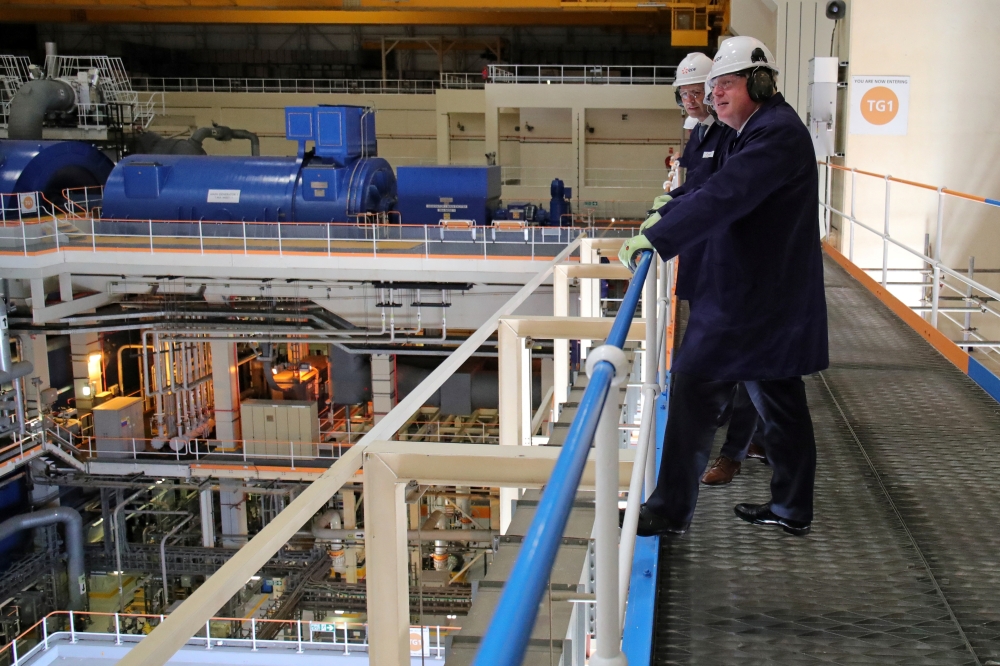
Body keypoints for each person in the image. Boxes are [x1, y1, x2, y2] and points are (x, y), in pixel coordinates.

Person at [618, 35, 828, 537]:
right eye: (713, 88)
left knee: (692, 384)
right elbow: (710, 187)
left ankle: (668, 512)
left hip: (753, 301)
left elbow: (727, 197)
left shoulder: (774, 134)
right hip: (762, 295)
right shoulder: (753, 130)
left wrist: (657, 237)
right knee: (780, 404)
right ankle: (792, 508)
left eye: (727, 85)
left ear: (759, 81)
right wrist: (667, 210)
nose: (715, 96)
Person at [654, 52, 763, 486]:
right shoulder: (700, 134)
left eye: (703, 91)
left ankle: (736, 451)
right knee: (740, 365)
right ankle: (750, 442)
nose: (697, 99)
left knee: (750, 364)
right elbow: (696, 186)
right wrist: (671, 205)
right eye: (688, 93)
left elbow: (716, 194)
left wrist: (667, 221)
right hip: (708, 259)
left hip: (735, 264)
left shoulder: (740, 136)